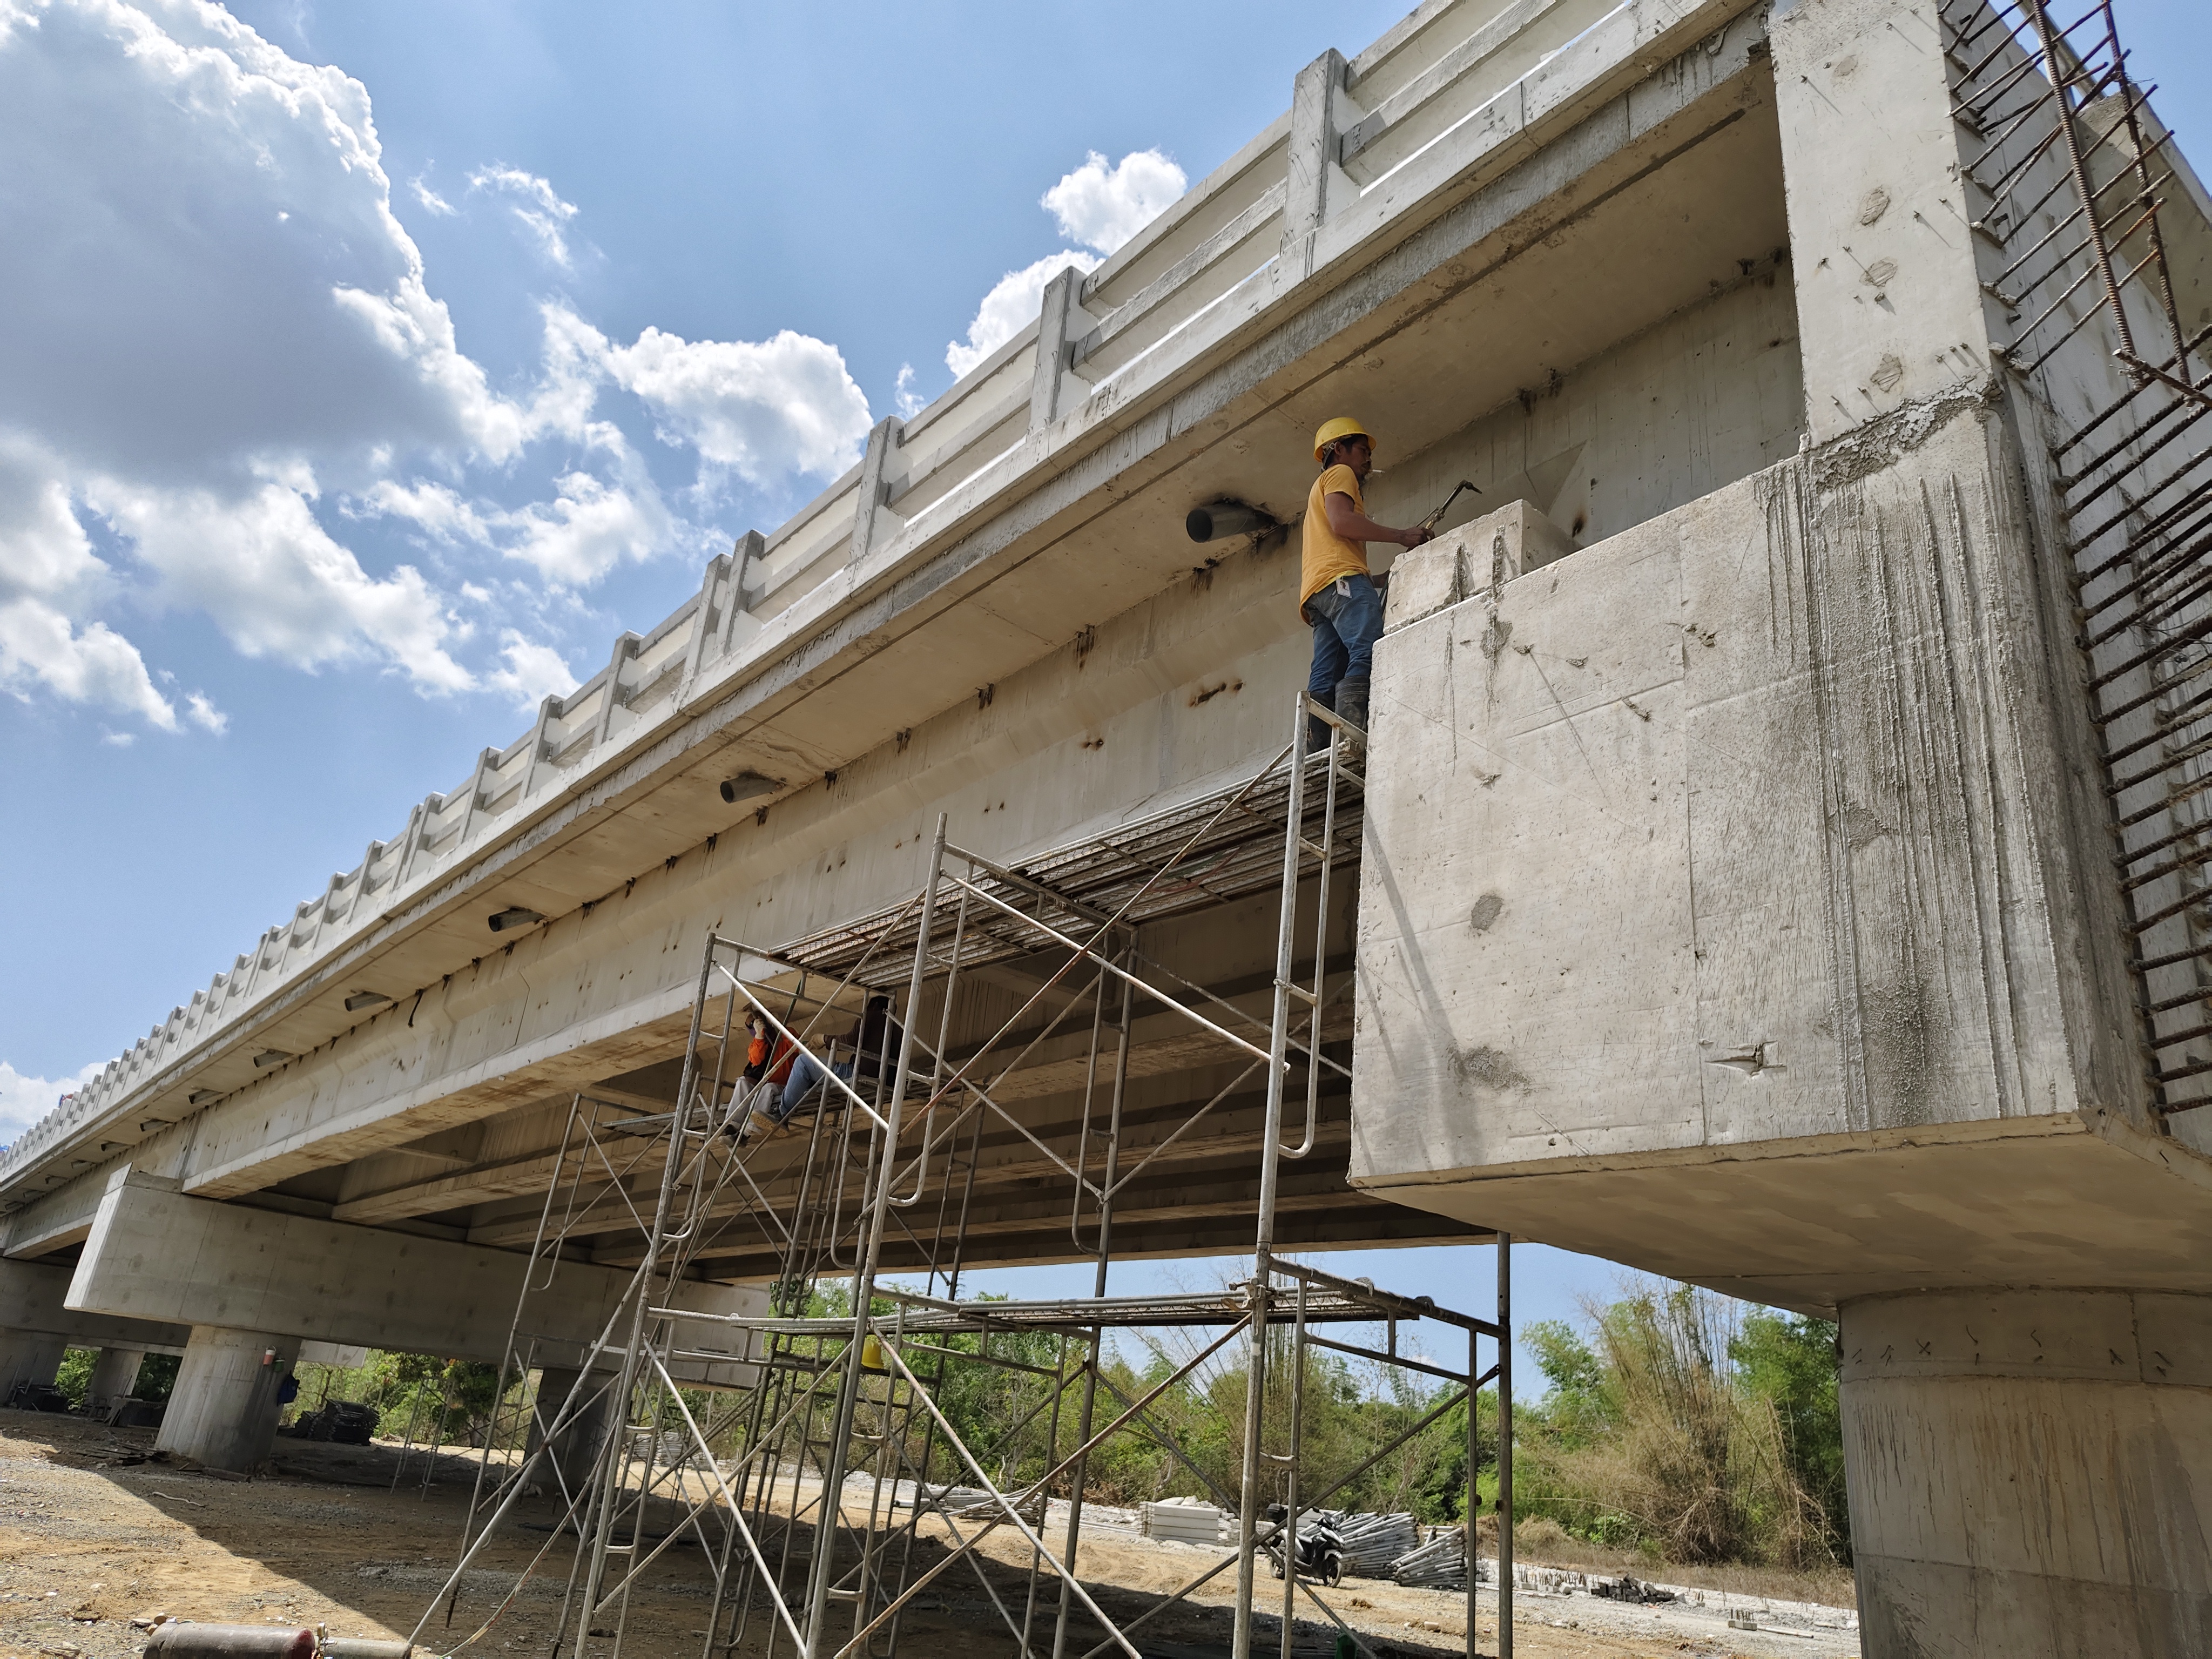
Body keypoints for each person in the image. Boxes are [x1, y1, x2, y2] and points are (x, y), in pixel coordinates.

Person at [1300, 417, 1433, 750]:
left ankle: (1317, 751)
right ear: (1338, 450)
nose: (1368, 458)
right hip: (1342, 582)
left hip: (1321, 591)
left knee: (1327, 671)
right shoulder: (1341, 474)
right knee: (1367, 649)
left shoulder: (1317, 492)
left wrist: (1375, 580)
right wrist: (1401, 536)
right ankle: (1354, 738)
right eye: (1362, 450)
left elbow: (1331, 552)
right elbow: (1343, 523)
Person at [773, 994, 906, 1124]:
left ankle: (782, 1114)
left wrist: (824, 1039)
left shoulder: (872, 1016)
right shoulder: (901, 1030)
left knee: (803, 1063)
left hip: (859, 1074)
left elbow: (849, 1041)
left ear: (875, 1005)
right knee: (814, 1075)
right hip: (887, 1082)